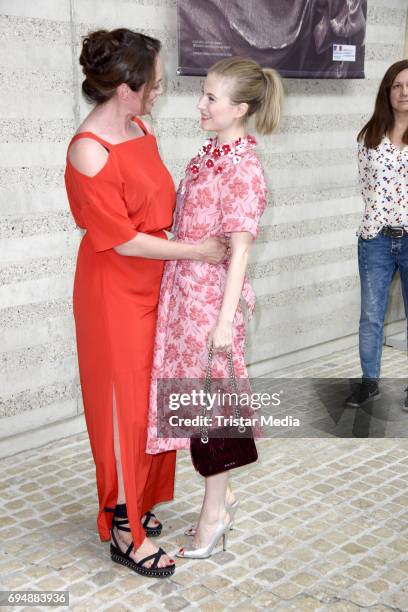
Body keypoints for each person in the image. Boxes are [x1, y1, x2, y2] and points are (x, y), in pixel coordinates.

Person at [64, 28, 226, 578]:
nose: (160, 89)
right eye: (154, 81)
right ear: (128, 87)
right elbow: (124, 237)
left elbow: (158, 203)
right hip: (114, 289)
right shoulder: (89, 150)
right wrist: (198, 251)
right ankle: (125, 534)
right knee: (125, 410)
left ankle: (127, 505)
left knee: (152, 402)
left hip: (156, 282)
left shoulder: (138, 126)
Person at [147, 57, 283, 558]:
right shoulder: (210, 154)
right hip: (185, 298)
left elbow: (240, 249)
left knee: (213, 409)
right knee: (197, 404)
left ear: (240, 108)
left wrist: (224, 322)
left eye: (210, 98)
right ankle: (220, 505)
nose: (200, 104)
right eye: (203, 94)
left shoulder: (244, 168)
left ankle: (212, 517)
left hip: (209, 305)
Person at [345, 60, 408, 409]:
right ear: (387, 91)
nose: (404, 92)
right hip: (376, 239)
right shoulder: (369, 136)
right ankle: (369, 383)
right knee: (371, 315)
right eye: (397, 85)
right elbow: (366, 187)